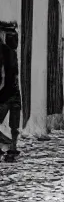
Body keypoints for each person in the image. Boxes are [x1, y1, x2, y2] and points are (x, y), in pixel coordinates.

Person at [0, 26, 21, 160]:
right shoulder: (12, 53)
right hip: (14, 92)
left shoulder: (3, 52)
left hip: (3, 95)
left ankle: (6, 145)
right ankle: (12, 147)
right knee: (14, 125)